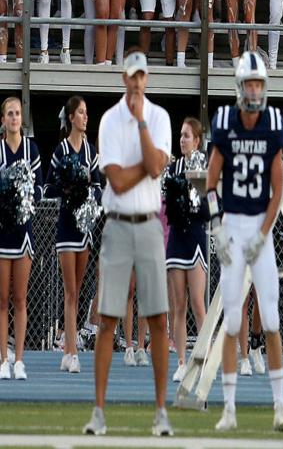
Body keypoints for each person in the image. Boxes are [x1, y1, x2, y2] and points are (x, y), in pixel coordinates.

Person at [206, 52, 283, 433]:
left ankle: (279, 406)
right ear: (240, 88)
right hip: (233, 223)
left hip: (259, 224)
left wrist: (263, 233)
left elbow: (278, 190)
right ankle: (228, 408)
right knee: (231, 320)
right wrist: (216, 226)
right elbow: (211, 184)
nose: (255, 91)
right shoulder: (225, 123)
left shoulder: (274, 124)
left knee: (271, 318)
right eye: (250, 84)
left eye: (259, 84)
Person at [84, 52, 172, 437]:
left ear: (146, 79)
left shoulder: (158, 117)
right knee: (107, 319)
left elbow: (153, 165)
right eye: (132, 77)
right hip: (119, 224)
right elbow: (119, 181)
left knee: (158, 319)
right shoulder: (107, 120)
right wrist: (148, 164)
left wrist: (140, 126)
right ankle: (99, 411)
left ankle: (160, 411)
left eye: (142, 77)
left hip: (149, 223)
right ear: (123, 78)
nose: (137, 83)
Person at [44, 95, 99, 374]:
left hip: (84, 227)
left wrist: (88, 192)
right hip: (66, 225)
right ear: (71, 118)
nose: (85, 117)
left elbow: (99, 186)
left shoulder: (91, 151)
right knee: (70, 290)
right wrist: (68, 187)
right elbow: (48, 188)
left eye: (86, 112)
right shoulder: (61, 150)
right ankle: (72, 351)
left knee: (78, 289)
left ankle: (69, 346)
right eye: (81, 112)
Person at [0, 94, 41, 381]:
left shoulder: (32, 149)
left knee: (20, 298)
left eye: (17, 114)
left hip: (24, 232)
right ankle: (3, 358)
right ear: (2, 121)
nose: (15, 118)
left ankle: (19, 360)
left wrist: (24, 198)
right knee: (1, 300)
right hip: (2, 232)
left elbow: (39, 190)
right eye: (10, 114)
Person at [165, 115, 208, 382]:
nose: (182, 140)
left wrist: (191, 205)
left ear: (198, 140)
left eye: (187, 135)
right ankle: (181, 361)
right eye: (180, 135)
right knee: (177, 305)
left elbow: (209, 207)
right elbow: (167, 204)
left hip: (195, 236)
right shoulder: (172, 167)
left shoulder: (204, 166)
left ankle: (203, 358)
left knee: (197, 302)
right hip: (176, 239)